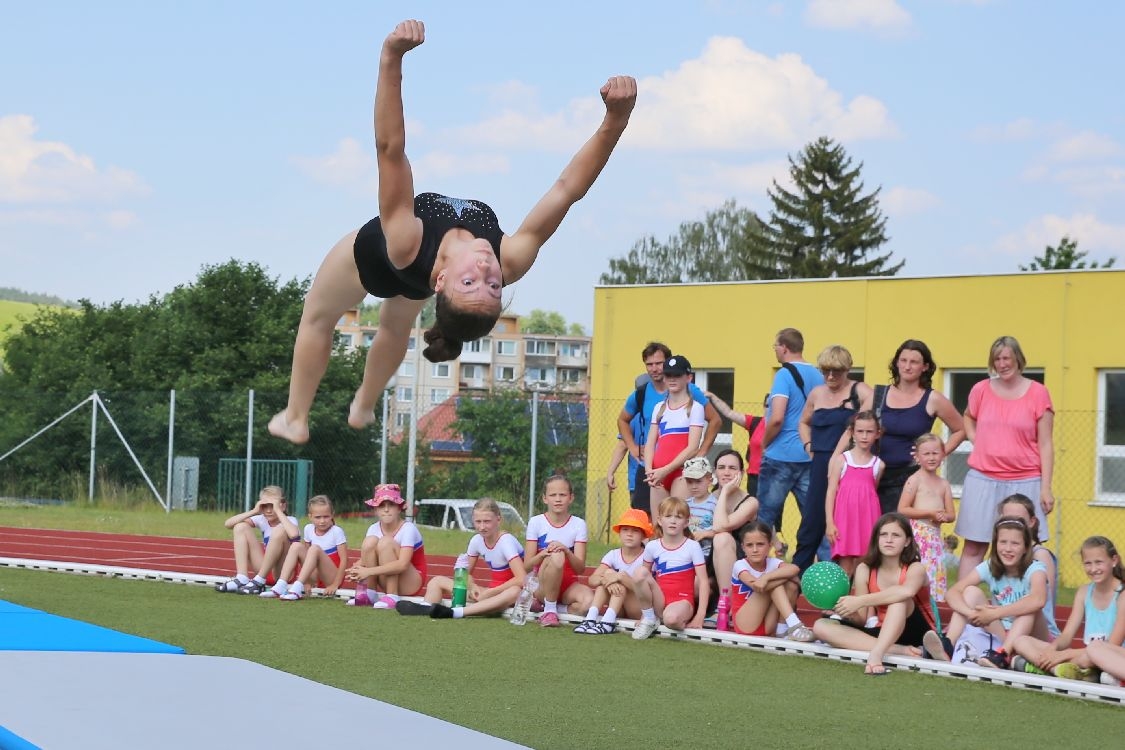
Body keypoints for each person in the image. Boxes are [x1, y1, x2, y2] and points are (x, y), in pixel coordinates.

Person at [269, 18, 637, 444]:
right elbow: (566, 190)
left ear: (442, 281)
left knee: (317, 319)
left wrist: (391, 58)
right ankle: (364, 406)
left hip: (366, 260)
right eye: (493, 285)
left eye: (470, 281)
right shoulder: (510, 258)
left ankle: (295, 417)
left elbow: (391, 150)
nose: (486, 268)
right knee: (394, 325)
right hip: (414, 281)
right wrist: (617, 119)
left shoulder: (407, 241)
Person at [956, 336, 1054, 579]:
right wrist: (974, 437)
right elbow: (968, 416)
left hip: (1025, 480)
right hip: (982, 478)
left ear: (1018, 359)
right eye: (997, 359)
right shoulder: (980, 389)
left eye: (1007, 358)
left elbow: (1046, 443)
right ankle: (964, 608)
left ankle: (1022, 607)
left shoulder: (1038, 393)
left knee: (1026, 547)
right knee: (974, 546)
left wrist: (1046, 488)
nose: (1002, 364)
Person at [811, 513, 932, 675]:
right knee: (820, 626)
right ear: (876, 539)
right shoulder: (865, 569)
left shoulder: (915, 568)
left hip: (920, 632)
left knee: (898, 601)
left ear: (907, 541)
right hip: (884, 634)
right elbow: (861, 619)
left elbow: (906, 591)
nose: (889, 540)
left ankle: (876, 654)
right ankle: (898, 650)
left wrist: (860, 601)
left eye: (896, 535)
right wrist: (847, 611)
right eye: (883, 534)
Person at [616, 342, 720, 512]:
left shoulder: (693, 398)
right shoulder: (647, 398)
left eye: (658, 364)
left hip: (679, 469)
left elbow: (714, 422)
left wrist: (701, 453)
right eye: (649, 364)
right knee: (652, 524)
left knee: (678, 518)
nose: (654, 369)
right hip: (653, 470)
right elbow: (625, 422)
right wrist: (637, 453)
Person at [755, 328, 825, 574]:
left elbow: (777, 418)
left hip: (780, 457)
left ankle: (755, 573)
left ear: (784, 347)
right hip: (810, 454)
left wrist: (764, 443)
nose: (774, 350)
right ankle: (828, 574)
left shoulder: (784, 375)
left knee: (763, 519)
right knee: (817, 518)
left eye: (775, 346)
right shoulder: (819, 375)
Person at [940, 517, 1050, 669]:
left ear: (1026, 548)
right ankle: (947, 646)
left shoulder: (1036, 569)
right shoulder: (990, 566)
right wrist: (972, 613)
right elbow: (952, 592)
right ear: (996, 544)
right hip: (1002, 634)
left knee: (1029, 606)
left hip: (1030, 638)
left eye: (1015, 543)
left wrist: (994, 614)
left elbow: (1038, 600)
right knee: (971, 592)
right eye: (1003, 542)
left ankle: (1003, 655)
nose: (1008, 549)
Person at [798, 345, 870, 571]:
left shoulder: (861, 391)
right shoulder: (817, 393)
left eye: (836, 371)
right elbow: (803, 422)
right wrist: (809, 445)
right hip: (820, 462)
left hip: (850, 463)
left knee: (844, 525)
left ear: (847, 369)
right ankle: (796, 578)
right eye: (826, 371)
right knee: (811, 522)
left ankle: (842, 583)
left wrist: (837, 457)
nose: (830, 376)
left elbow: (860, 427)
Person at [871, 339, 964, 515]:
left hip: (911, 479)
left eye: (914, 362)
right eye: (903, 360)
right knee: (873, 536)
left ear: (925, 367)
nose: (907, 366)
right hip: (875, 476)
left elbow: (961, 429)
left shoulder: (932, 398)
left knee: (904, 536)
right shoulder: (879, 395)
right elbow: (856, 428)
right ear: (896, 363)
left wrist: (939, 453)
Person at [1011, 536, 1124, 680]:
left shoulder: (1122, 594)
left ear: (1114, 561)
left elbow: (1111, 646)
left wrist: (1063, 654)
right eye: (1088, 563)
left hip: (1108, 656)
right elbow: (1066, 635)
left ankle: (1046, 668)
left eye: (1099, 562)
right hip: (1084, 656)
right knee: (1021, 641)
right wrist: (1052, 650)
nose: (1093, 569)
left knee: (1093, 651)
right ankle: (1063, 670)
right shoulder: (1084, 592)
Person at [396, 498, 528, 619]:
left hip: (508, 595)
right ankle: (427, 608)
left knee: (515, 591)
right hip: (489, 594)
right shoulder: (476, 540)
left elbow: (521, 579)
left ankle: (455, 613)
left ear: (498, 519)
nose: (482, 527)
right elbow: (465, 574)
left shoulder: (506, 541)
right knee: (437, 581)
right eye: (478, 522)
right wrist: (473, 586)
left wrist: (491, 592)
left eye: (487, 521)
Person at [629, 497, 709, 639]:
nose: (673, 521)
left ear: (686, 522)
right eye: (668, 516)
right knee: (639, 572)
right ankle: (649, 619)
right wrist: (644, 614)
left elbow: (703, 581)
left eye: (678, 517)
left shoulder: (692, 546)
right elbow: (644, 578)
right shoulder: (652, 546)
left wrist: (700, 616)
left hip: (682, 601)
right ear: (659, 520)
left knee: (671, 619)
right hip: (659, 601)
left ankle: (674, 617)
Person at [523, 475, 593, 626]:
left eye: (562, 495)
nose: (558, 499)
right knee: (557, 555)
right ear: (544, 498)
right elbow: (527, 566)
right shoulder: (536, 522)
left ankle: (554, 608)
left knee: (588, 604)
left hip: (568, 586)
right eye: (553, 495)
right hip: (542, 586)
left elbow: (580, 569)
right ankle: (549, 610)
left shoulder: (579, 524)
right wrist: (543, 553)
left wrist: (567, 551)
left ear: (571, 498)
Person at [644, 355, 706, 523]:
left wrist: (666, 470)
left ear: (688, 377)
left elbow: (693, 447)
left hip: (681, 473)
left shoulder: (695, 408)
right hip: (657, 474)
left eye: (677, 375)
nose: (672, 379)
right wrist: (649, 470)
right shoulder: (660, 408)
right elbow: (650, 443)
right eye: (668, 375)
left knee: (677, 522)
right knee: (657, 525)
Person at [345, 483, 427, 608]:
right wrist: (356, 569)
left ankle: (392, 595)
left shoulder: (408, 529)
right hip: (385, 578)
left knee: (386, 542)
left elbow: (403, 564)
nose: (386, 509)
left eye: (392, 505)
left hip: (411, 582)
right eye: (381, 506)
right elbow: (366, 558)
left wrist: (368, 571)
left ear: (400, 508)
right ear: (376, 509)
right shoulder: (373, 528)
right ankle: (369, 593)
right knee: (369, 541)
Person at [574, 508, 653, 635]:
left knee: (617, 578)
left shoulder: (647, 557)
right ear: (619, 532)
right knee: (607, 575)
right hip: (619, 607)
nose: (629, 534)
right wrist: (609, 580)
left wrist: (619, 577)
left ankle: (608, 623)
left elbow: (647, 590)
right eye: (625, 529)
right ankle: (590, 618)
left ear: (644, 535)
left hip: (638, 608)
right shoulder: (613, 554)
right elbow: (592, 580)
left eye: (635, 531)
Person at [897, 433, 956, 601]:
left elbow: (951, 514)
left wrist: (942, 517)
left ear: (943, 455)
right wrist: (928, 513)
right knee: (919, 572)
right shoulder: (914, 480)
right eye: (926, 454)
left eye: (935, 453)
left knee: (934, 573)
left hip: (935, 539)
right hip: (918, 537)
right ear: (918, 457)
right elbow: (903, 508)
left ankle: (935, 609)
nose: (931, 458)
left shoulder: (943, 484)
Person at [825, 411, 884, 579]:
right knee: (845, 569)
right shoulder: (841, 460)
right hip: (844, 521)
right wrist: (830, 522)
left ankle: (862, 605)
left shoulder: (879, 465)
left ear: (877, 434)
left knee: (864, 569)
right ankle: (841, 604)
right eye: (860, 431)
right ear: (852, 432)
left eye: (869, 431)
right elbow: (831, 492)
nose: (864, 436)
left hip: (868, 521)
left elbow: (871, 492)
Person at [728, 521, 809, 640]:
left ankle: (782, 631)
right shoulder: (740, 565)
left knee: (791, 586)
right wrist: (784, 577)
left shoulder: (772, 562)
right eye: (750, 545)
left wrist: (766, 577)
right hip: (745, 624)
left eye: (760, 544)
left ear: (770, 545)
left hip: (768, 626)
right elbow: (757, 586)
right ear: (743, 547)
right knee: (778, 584)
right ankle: (794, 625)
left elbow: (794, 568)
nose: (755, 550)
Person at [214, 486, 300, 595]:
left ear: (283, 506)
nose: (268, 510)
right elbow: (228, 524)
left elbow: (294, 534)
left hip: (282, 575)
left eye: (272, 506)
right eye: (265, 506)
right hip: (263, 572)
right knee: (240, 527)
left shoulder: (290, 520)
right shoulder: (262, 519)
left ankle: (259, 581)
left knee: (280, 530)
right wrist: (254, 511)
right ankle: (242, 578)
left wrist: (278, 511)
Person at [261, 495, 349, 601]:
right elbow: (306, 558)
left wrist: (335, 584)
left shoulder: (336, 531)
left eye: (326, 517)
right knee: (296, 545)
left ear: (332, 515)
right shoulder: (308, 529)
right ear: (310, 516)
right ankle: (281, 584)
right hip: (315, 577)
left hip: (330, 578)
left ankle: (297, 587)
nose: (322, 521)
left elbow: (344, 560)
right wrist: (307, 582)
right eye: (318, 517)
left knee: (315, 548)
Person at [710, 450, 761, 598]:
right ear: (715, 472)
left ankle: (727, 603)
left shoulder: (750, 502)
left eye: (732, 468)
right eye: (721, 467)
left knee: (722, 538)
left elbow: (720, 526)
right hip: (708, 559)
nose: (726, 472)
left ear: (741, 473)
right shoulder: (707, 498)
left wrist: (725, 492)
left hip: (739, 562)